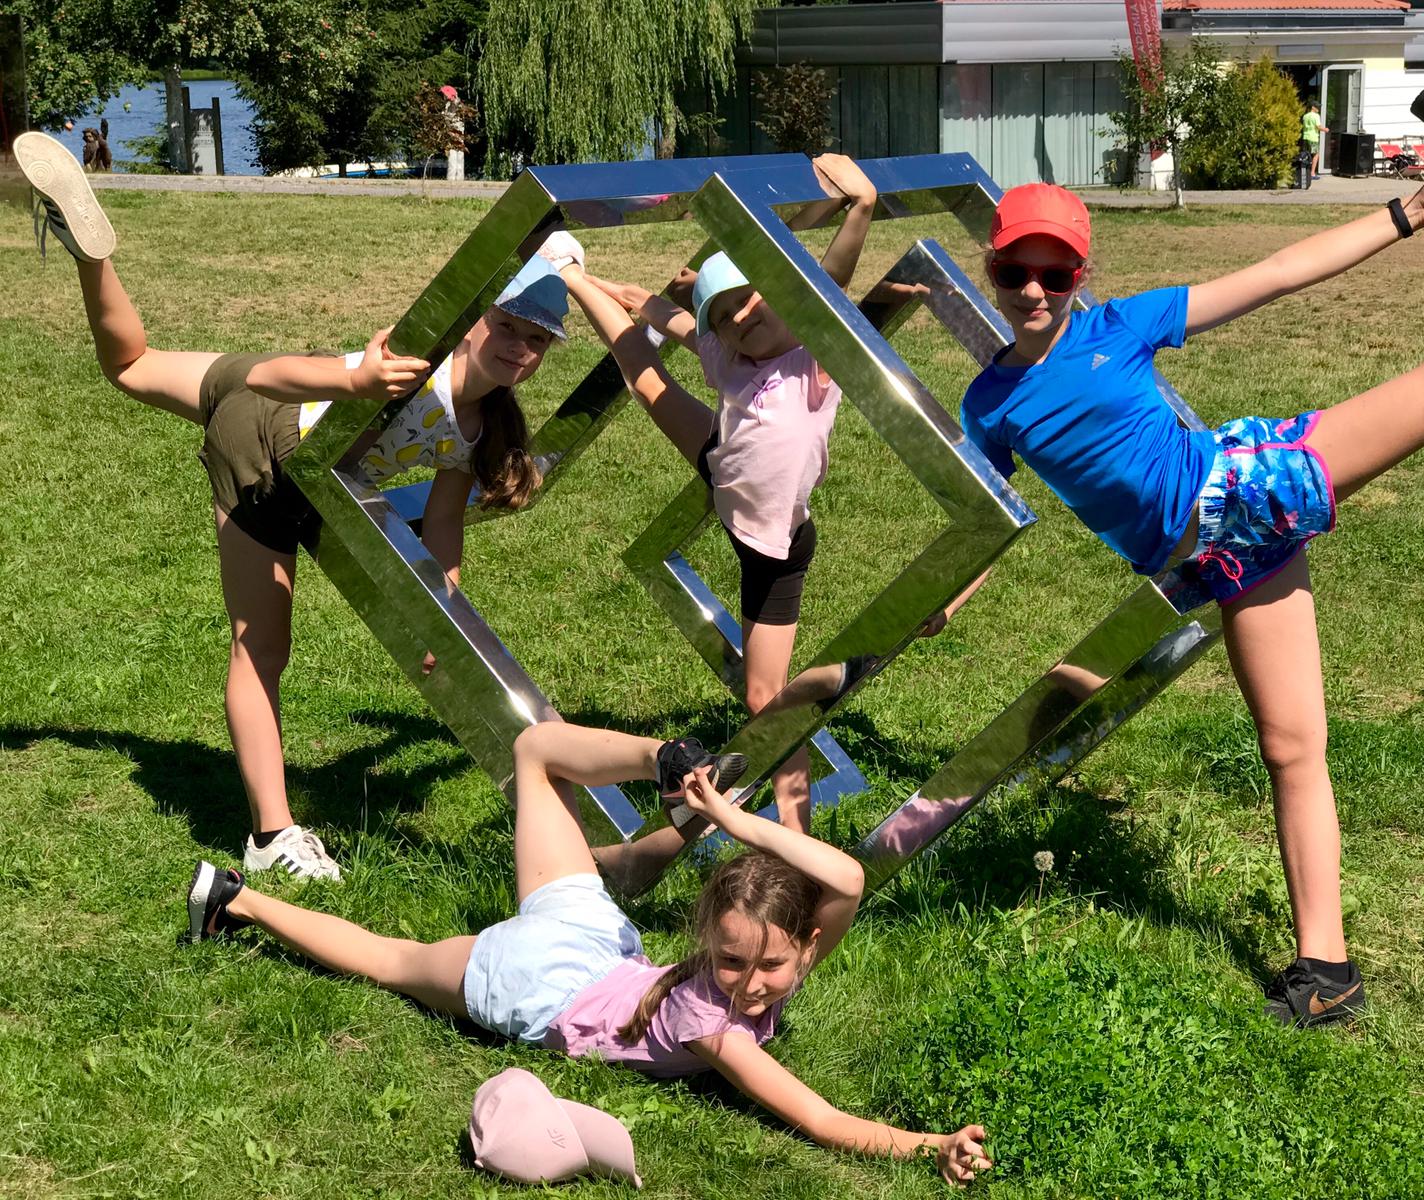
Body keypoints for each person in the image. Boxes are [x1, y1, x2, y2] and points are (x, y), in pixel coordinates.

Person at [944, 11, 1424, 1027]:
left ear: (1083, 274)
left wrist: (1404, 217)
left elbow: (1272, 276)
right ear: (993, 271)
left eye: (1057, 272)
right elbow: (990, 510)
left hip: (1241, 488)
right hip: (1221, 560)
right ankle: (1328, 970)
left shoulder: (1119, 327)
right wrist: (949, 597)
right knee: (1291, 744)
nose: (1036, 289)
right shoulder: (988, 403)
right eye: (1017, 272)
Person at [14, 130, 567, 880]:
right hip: (270, 446)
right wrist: (359, 381)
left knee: (131, 365)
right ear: (474, 320)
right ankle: (271, 836)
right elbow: (271, 377)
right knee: (261, 646)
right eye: (506, 326)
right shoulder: (415, 364)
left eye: (536, 340)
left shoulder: (482, 426)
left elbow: (442, 524)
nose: (518, 347)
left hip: (275, 415)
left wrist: (443, 616)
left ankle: (90, 252)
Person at [185, 722, 993, 1186]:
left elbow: (847, 878)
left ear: (809, 947)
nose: (749, 987)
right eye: (730, 963)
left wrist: (736, 823)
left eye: (769, 969)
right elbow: (817, 1118)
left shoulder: (756, 969)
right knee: (389, 960)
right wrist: (930, 1147)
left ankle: (668, 768)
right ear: (708, 939)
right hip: (546, 979)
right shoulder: (715, 1028)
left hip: (593, 940)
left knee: (538, 755)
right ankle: (238, 899)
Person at [560, 154, 880, 840]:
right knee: (642, 371)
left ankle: (794, 832)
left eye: (755, 299)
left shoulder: (815, 355)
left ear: (786, 294)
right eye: (729, 316)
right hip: (718, 463)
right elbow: (661, 315)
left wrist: (860, 208)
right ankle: (571, 276)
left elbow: (828, 280)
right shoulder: (727, 354)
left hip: (777, 548)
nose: (746, 317)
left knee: (766, 698)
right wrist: (622, 288)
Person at [1300, 102, 1328, 179]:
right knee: (1316, 155)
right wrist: (1325, 129)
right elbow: (1318, 127)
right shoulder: (1316, 116)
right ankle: (1312, 173)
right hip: (1313, 138)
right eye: (1317, 107)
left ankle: (1304, 172)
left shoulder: (1305, 116)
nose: (1318, 108)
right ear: (1313, 107)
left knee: (1306, 155)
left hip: (1305, 137)